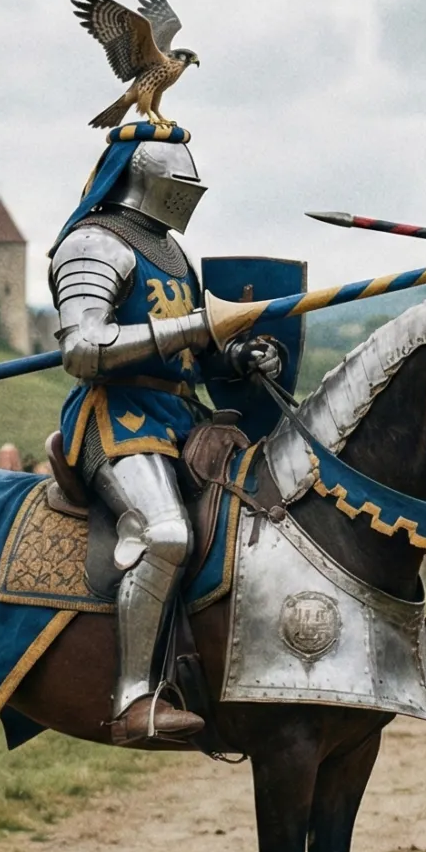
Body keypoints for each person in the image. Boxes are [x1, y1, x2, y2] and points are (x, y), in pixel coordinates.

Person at [50, 125, 289, 743]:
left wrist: (237, 359)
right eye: (178, 179)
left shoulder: (175, 254)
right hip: (120, 420)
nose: (188, 191)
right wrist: (189, 328)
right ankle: (134, 700)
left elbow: (197, 359)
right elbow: (82, 347)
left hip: (186, 422)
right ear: (143, 176)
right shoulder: (94, 243)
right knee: (164, 535)